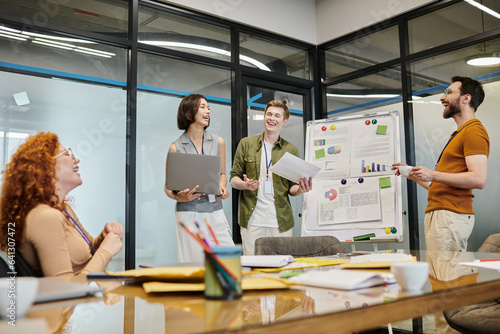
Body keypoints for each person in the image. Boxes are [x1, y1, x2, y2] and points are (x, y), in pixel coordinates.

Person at [0, 132, 123, 277]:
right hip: (75, 298)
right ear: (46, 166)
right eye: (67, 154)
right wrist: (106, 252)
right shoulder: (46, 217)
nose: (76, 159)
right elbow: (64, 291)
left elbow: (90, 249)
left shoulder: (63, 209)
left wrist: (103, 238)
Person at [394, 76, 489, 251]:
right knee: (440, 275)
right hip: (442, 214)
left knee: (449, 276)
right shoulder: (459, 133)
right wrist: (413, 174)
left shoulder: (473, 131)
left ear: (466, 98)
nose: (441, 98)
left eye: (448, 92)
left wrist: (433, 173)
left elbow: (478, 179)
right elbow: (439, 185)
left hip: (451, 215)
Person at [230, 100, 313, 255]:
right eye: (269, 114)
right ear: (264, 116)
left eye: (277, 115)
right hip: (252, 220)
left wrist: (301, 189)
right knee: (253, 267)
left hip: (280, 221)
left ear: (284, 121)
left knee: (281, 266)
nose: (272, 118)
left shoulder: (290, 150)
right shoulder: (246, 144)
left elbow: (291, 188)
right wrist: (244, 185)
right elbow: (234, 179)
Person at [164, 94, 234, 262]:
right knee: (194, 266)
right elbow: (167, 187)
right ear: (189, 112)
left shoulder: (219, 142)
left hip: (215, 211)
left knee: (228, 262)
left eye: (208, 107)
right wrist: (178, 196)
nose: (208, 111)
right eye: (202, 107)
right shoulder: (176, 147)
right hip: (189, 214)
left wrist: (223, 187)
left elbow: (222, 174)